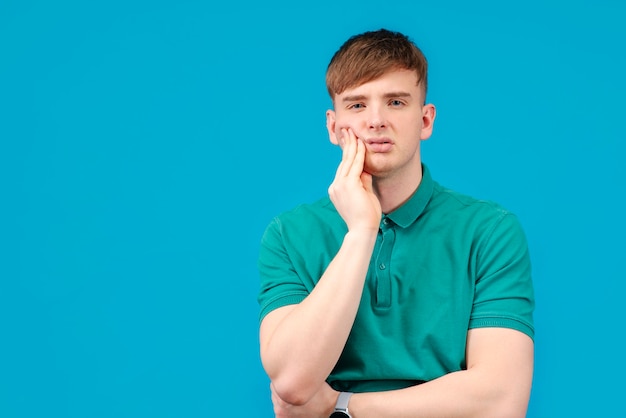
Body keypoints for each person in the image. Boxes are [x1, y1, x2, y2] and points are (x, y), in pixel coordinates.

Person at [257, 28, 535, 418]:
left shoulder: (489, 230)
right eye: (356, 106)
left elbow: (501, 399)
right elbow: (292, 383)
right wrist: (361, 231)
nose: (376, 121)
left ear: (425, 120)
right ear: (333, 127)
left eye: (396, 102)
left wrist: (341, 406)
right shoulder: (289, 234)